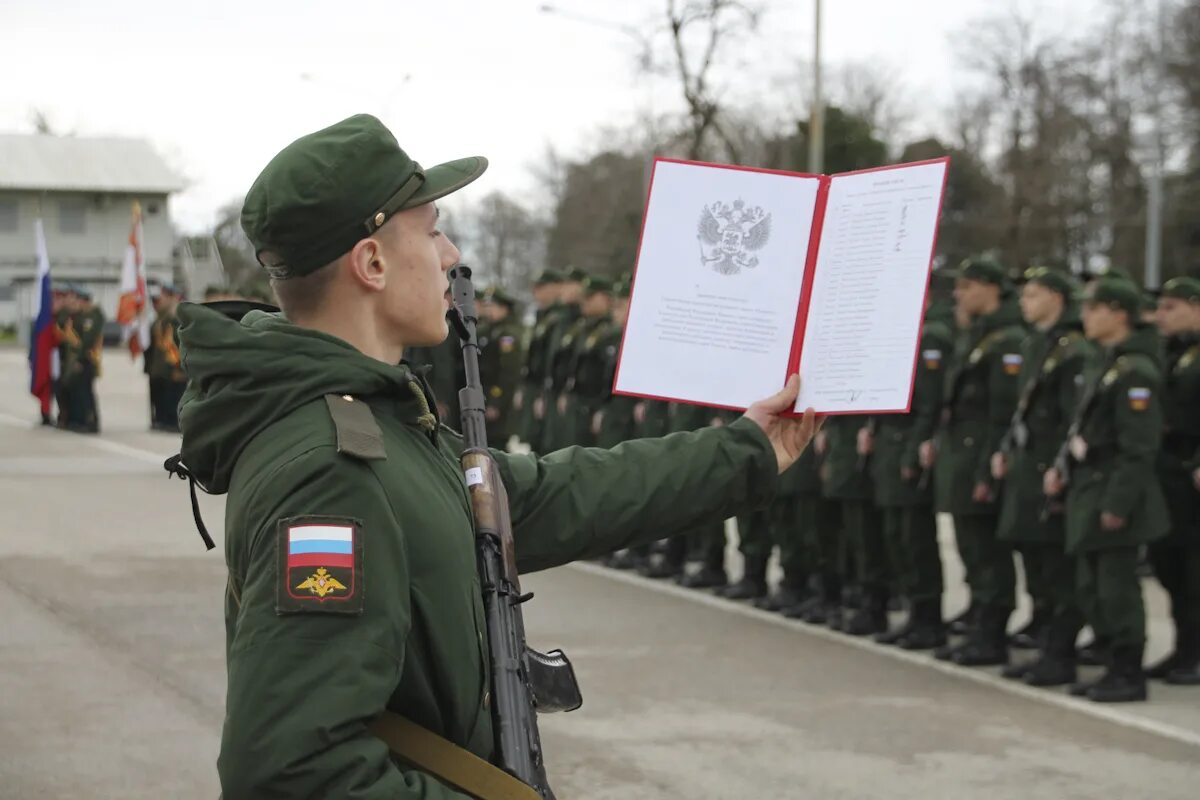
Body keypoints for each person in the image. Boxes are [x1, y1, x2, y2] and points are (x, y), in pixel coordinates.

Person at [172, 114, 820, 799]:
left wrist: (746, 450)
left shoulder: (379, 424)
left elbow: (550, 496)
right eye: (432, 231)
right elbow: (293, 773)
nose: (450, 254)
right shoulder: (329, 470)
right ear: (372, 263)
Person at [1044, 278, 1169, 702]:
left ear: (1118, 313)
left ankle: (1128, 673)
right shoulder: (1109, 363)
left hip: (1115, 493)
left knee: (1116, 589)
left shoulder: (1136, 372)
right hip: (1090, 487)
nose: (1086, 316)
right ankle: (1112, 664)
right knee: (1092, 587)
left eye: (1094, 308)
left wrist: (1118, 504)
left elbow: (1139, 449)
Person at [992, 268, 1092, 685]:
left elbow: (1075, 420)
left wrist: (1060, 468)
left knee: (1058, 568)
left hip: (1053, 473)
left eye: (1033, 294)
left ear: (1056, 296)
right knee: (1037, 562)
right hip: (1028, 470)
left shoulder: (1074, 350)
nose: (1023, 301)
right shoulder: (1039, 344)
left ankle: (1060, 653)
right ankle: (1047, 644)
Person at [932, 257, 1025, 665]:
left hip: (979, 455)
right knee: (971, 545)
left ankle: (992, 632)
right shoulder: (979, 335)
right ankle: (979, 622)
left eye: (968, 286)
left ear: (990, 287)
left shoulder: (1007, 340)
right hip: (962, 454)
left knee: (986, 550)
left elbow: (1002, 413)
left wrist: (989, 463)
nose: (959, 294)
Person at [869, 295, 954, 649]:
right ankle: (915, 615)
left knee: (914, 537)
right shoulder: (899, 332)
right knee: (896, 535)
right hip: (890, 445)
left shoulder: (930, 336)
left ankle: (928, 617)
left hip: (909, 447)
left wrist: (914, 449)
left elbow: (929, 404)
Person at [1147, 276, 1200, 685]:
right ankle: (1184, 648)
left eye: (1171, 307)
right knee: (1171, 566)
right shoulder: (1170, 352)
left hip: (1192, 470)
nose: (1161, 315)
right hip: (1167, 474)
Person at [513, 270, 563, 451]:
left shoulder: (559, 318)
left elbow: (552, 359)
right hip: (535, 386)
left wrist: (543, 392)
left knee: (546, 443)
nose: (536, 292)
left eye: (542, 288)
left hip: (547, 389)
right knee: (533, 440)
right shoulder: (543, 316)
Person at [149, 285, 188, 431]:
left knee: (175, 395)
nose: (160, 301)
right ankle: (165, 419)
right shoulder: (163, 317)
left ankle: (173, 421)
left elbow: (180, 343)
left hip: (176, 364)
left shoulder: (178, 317)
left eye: (163, 297)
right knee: (165, 396)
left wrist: (180, 367)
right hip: (164, 365)